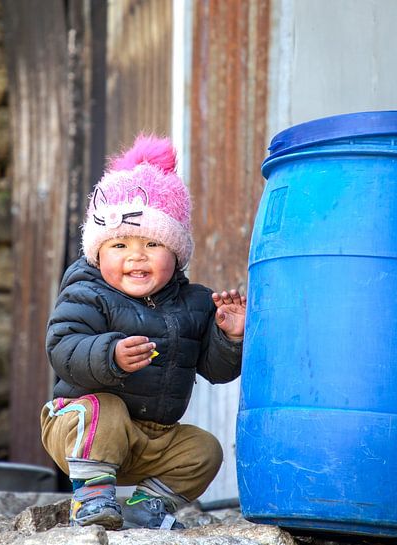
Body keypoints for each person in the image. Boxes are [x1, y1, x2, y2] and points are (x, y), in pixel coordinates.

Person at [40, 134, 246, 531]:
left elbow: (215, 369)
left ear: (177, 252)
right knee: (109, 409)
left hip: (152, 437)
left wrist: (229, 338)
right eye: (119, 244)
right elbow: (62, 346)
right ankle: (93, 496)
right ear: (98, 253)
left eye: (152, 242)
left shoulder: (195, 303)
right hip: (79, 424)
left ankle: (145, 506)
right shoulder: (87, 292)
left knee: (205, 449)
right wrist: (109, 355)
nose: (136, 256)